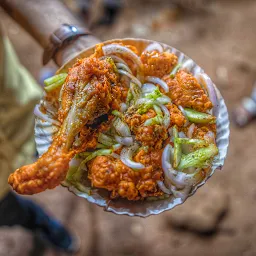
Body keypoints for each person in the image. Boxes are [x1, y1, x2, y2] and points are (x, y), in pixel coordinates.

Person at [0, 0, 100, 252]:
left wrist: (70, 41)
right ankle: (46, 228)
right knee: (11, 212)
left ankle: (50, 229)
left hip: (22, 109)